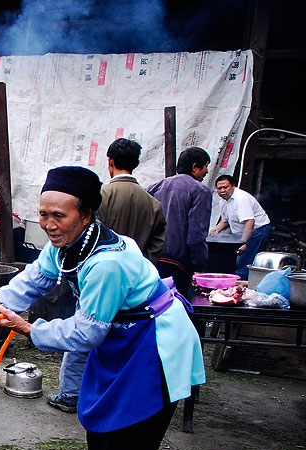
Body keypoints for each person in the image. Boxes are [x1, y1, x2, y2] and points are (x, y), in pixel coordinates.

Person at [0, 166, 205, 450]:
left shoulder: (106, 263)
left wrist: (28, 329)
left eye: (58, 216)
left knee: (129, 443)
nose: (48, 224)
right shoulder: (66, 244)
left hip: (154, 345)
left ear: (86, 214)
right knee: (99, 429)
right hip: (121, 339)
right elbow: (35, 279)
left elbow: (86, 333)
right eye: (43, 214)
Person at [49, 138, 167, 414]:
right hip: (131, 293)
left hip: (96, 277)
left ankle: (70, 393)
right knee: (116, 344)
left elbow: (80, 238)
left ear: (110, 162)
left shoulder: (97, 197)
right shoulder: (152, 202)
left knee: (82, 336)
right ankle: (108, 391)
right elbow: (157, 245)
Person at [146, 147, 213, 296]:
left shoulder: (155, 187)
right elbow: (196, 234)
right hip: (179, 262)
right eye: (206, 166)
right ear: (195, 167)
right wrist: (199, 265)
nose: (207, 171)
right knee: (178, 305)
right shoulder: (201, 191)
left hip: (153, 259)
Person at [210, 174, 271, 279]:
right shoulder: (223, 201)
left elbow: (249, 221)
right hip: (241, 233)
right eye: (220, 188)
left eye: (225, 187)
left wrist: (243, 242)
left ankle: (241, 288)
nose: (222, 190)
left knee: (245, 261)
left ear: (233, 186)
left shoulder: (241, 199)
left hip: (257, 231)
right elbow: (225, 220)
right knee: (236, 260)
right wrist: (215, 231)